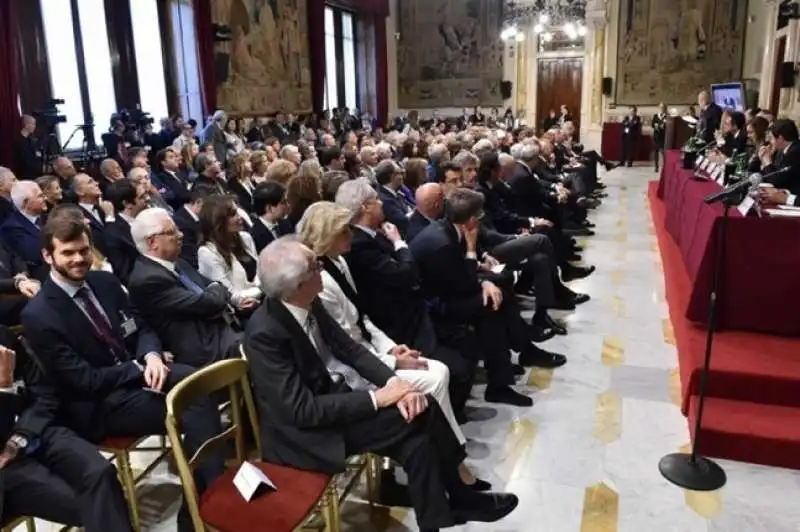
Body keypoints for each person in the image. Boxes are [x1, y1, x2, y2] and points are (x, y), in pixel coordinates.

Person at [244, 237, 519, 532]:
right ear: (297, 285)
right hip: (305, 435)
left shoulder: (306, 302)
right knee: (421, 414)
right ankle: (461, 498)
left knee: (417, 440)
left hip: (333, 404)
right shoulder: (264, 334)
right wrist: (380, 398)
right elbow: (300, 410)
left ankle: (441, 517)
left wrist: (395, 383)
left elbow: (350, 349)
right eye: (314, 266)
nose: (322, 267)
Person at [20, 214, 224, 532]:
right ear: (48, 256)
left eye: (84, 251)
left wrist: (151, 354)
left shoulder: (104, 282)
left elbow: (140, 325)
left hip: (136, 373)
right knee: (191, 405)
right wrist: (138, 367)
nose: (78, 259)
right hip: (99, 403)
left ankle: (204, 503)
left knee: (199, 385)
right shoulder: (39, 314)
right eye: (68, 253)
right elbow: (83, 381)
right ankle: (206, 508)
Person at [296, 202, 489, 490]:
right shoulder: (318, 282)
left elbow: (362, 319)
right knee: (432, 378)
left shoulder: (339, 262)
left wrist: (392, 349)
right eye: (344, 232)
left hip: (370, 351)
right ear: (328, 236)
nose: (351, 236)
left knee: (439, 370)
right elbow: (342, 346)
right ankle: (453, 465)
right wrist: (392, 363)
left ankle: (445, 458)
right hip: (349, 372)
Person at [0, 326, 133, 530]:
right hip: (5, 464)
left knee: (101, 472)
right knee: (93, 505)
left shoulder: (3, 335)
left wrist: (22, 434)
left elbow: (43, 394)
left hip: (33, 431)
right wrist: (4, 388)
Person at [127, 208, 243, 368]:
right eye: (171, 232)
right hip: (206, 348)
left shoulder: (178, 262)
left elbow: (215, 287)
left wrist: (218, 293)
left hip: (224, 325)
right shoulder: (147, 279)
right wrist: (216, 291)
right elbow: (210, 303)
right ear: (152, 242)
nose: (180, 235)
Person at [197, 195, 262, 317]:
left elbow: (260, 272)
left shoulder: (245, 238)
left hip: (262, 301)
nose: (239, 218)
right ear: (218, 221)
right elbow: (231, 296)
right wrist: (264, 290)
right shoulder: (207, 253)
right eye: (233, 215)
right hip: (241, 315)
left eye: (237, 212)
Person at [104, 179, 150, 285]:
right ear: (127, 204)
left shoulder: (151, 215)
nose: (148, 198)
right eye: (142, 197)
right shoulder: (114, 234)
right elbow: (126, 275)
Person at [250, 181, 291, 253]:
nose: (288, 205)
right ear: (269, 208)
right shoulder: (255, 236)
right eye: (283, 203)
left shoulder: (285, 224)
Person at [652, 103, 667, 172]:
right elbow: (652, 124)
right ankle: (656, 166)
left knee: (663, 152)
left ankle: (665, 166)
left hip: (663, 137)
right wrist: (655, 125)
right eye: (661, 107)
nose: (662, 108)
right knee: (656, 151)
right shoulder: (655, 115)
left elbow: (668, 126)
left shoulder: (667, 116)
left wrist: (663, 126)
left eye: (663, 107)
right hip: (656, 136)